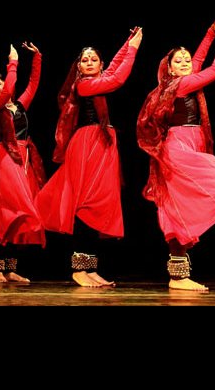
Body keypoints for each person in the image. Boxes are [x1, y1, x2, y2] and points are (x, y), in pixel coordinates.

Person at [136, 18, 215, 291]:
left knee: (178, 211)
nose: (186, 63)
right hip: (179, 147)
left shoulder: (181, 81)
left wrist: (210, 34)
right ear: (169, 69)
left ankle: (178, 276)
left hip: (187, 143)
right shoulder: (180, 85)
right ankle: (178, 276)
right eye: (179, 61)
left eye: (187, 59)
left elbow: (198, 61)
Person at [35, 27, 143, 287]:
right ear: (79, 67)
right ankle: (78, 269)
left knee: (100, 205)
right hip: (87, 144)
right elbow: (118, 78)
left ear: (100, 64)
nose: (90, 62)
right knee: (85, 204)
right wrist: (134, 48)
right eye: (85, 60)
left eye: (94, 59)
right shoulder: (83, 85)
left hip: (103, 143)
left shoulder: (99, 79)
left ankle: (90, 267)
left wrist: (128, 41)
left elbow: (114, 69)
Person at [0, 42, 46, 283]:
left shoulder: (20, 105)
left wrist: (37, 57)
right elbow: (6, 93)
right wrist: (12, 63)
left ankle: (11, 268)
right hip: (0, 159)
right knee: (0, 215)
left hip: (22, 162)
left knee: (17, 217)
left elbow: (33, 84)